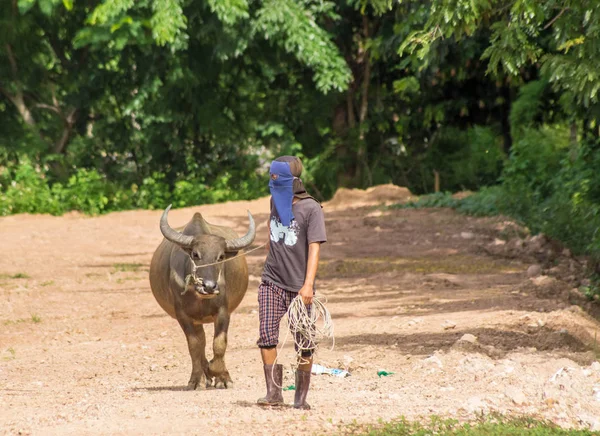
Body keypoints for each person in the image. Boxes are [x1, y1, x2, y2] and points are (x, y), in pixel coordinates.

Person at [256, 156, 327, 410]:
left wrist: (308, 285)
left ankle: (300, 398)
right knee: (266, 335)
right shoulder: (274, 200)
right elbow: (271, 221)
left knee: (305, 343)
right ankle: (273, 393)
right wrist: (269, 240)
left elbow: (315, 247)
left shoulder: (312, 209)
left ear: (293, 181)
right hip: (271, 280)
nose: (272, 182)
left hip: (299, 287)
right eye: (271, 177)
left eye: (277, 178)